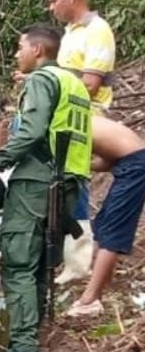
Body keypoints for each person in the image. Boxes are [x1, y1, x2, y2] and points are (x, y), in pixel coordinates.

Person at [0, 24, 92, 352]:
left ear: (37, 50)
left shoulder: (40, 81)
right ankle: (31, 338)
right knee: (37, 262)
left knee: (19, 261)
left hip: (38, 179)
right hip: (69, 181)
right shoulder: (75, 83)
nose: (16, 53)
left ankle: (23, 349)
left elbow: (32, 132)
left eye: (20, 47)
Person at [43, 0, 116, 282]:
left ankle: (80, 260)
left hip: (84, 115)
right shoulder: (70, 32)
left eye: (53, 1)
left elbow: (89, 84)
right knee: (63, 182)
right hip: (65, 115)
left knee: (75, 182)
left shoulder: (97, 30)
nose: (51, 8)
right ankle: (68, 255)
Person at [66, 116, 145, 317]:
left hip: (136, 165)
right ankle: (104, 287)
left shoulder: (67, 124)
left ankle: (89, 301)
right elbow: (106, 160)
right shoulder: (78, 119)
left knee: (112, 231)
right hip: (129, 163)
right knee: (103, 225)